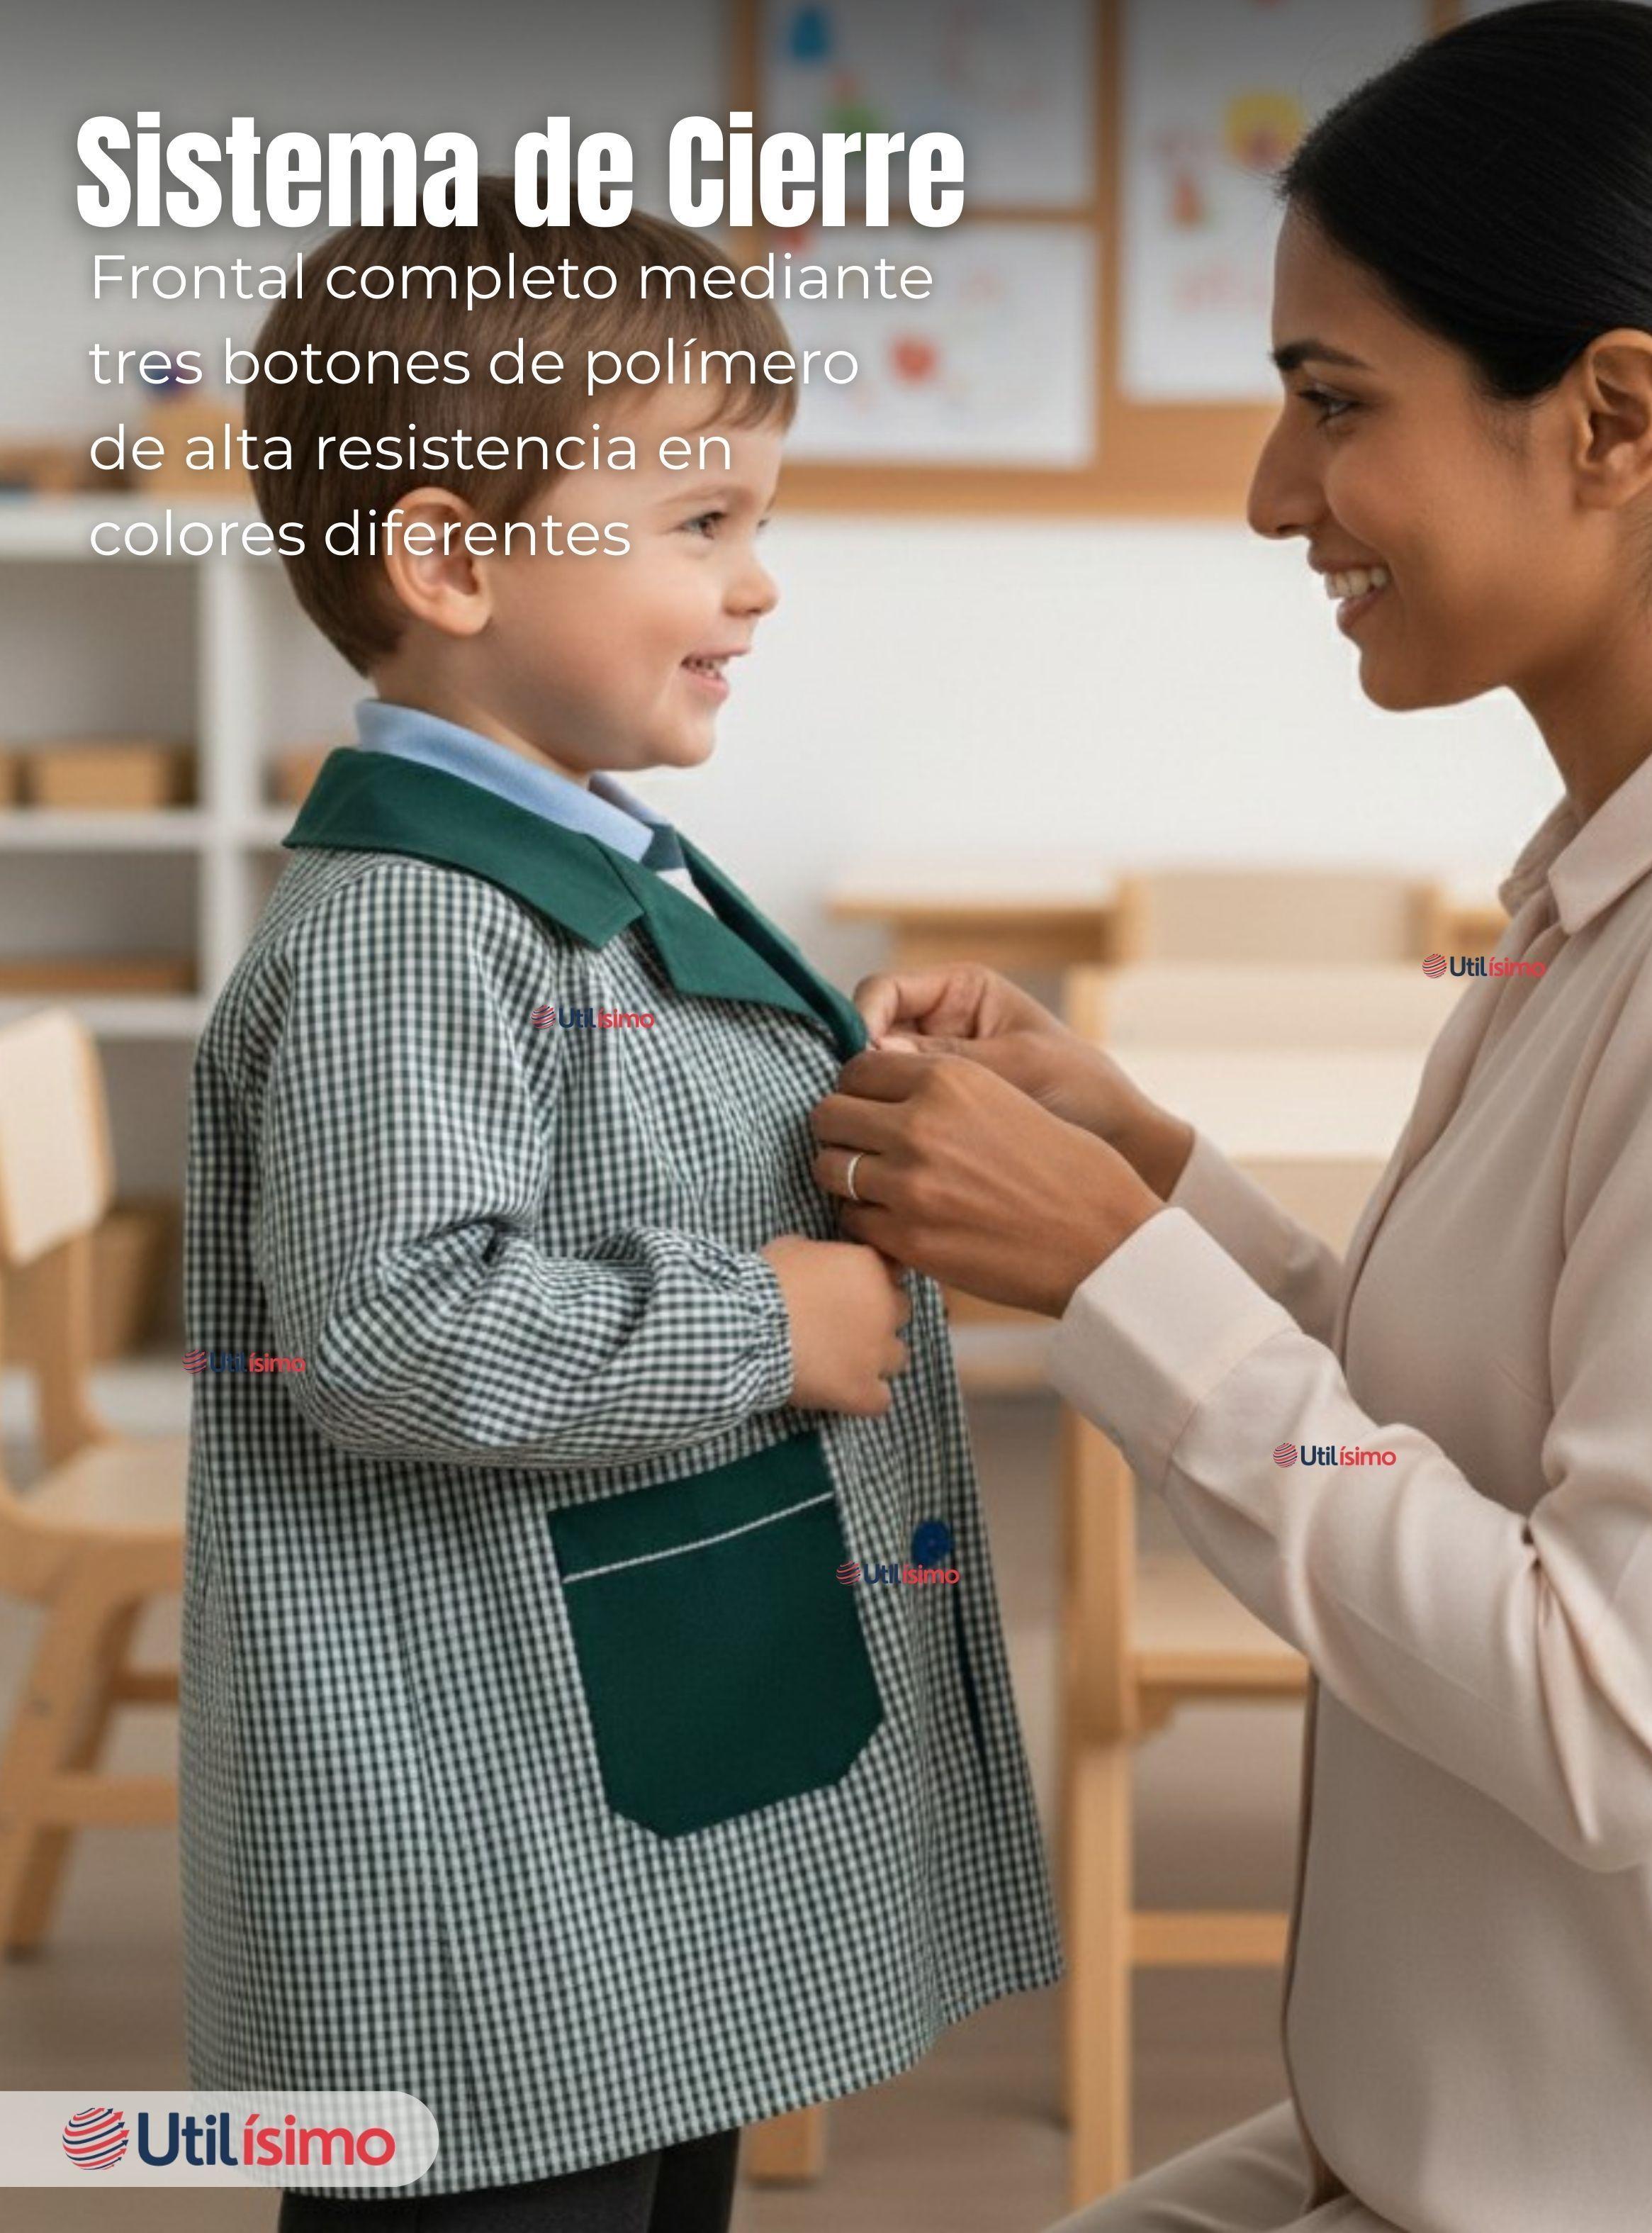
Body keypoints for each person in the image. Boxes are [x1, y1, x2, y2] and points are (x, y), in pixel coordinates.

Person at [809, 6, 1652, 2229]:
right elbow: (1468, 1422)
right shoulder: (1584, 890)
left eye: (1330, 404)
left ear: (1615, 415)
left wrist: (1113, 1275)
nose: (1276, 498)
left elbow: (1610, 1712)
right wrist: (1152, 1175)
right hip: (1415, 2122)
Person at [179, 187, 1060, 2230]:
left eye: (753, 520)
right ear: (451, 557)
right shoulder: (417, 926)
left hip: (611, 1782)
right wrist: (775, 1322)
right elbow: (394, 1331)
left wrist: (850, 1107)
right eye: (697, 522)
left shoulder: (566, 871)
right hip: (490, 1857)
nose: (758, 587)